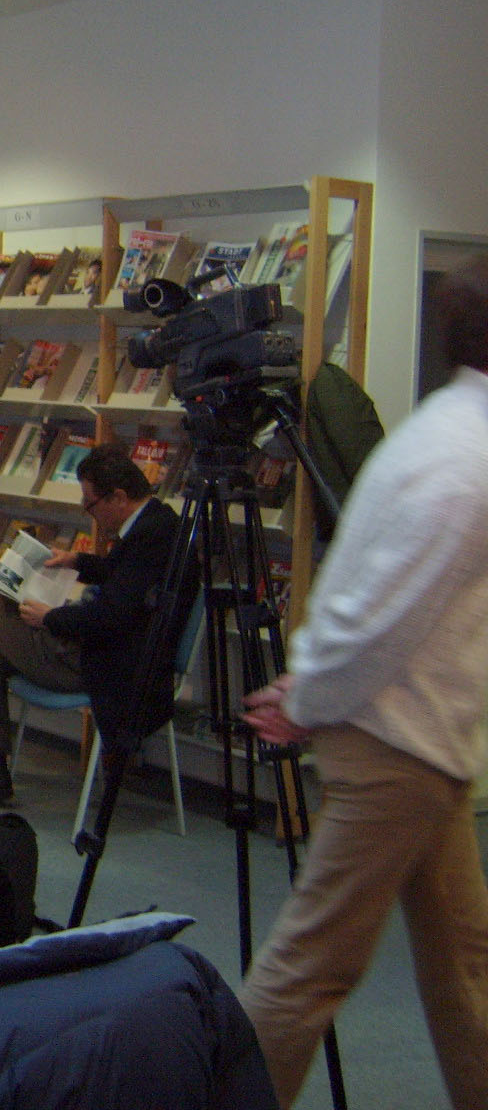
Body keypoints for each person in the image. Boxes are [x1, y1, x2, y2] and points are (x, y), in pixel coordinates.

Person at [238, 256, 488, 1109]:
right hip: (394, 751)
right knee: (308, 970)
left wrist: (311, 687)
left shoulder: (448, 434)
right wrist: (309, 696)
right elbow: (380, 618)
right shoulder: (460, 461)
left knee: (467, 966)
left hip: (421, 746)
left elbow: (364, 589)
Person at [0, 443, 185, 806]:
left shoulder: (150, 538)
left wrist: (49, 617)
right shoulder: (159, 523)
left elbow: (112, 615)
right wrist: (76, 560)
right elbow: (122, 580)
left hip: (106, 668)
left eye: (90, 504)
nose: (89, 512)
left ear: (119, 498)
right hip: (110, 653)